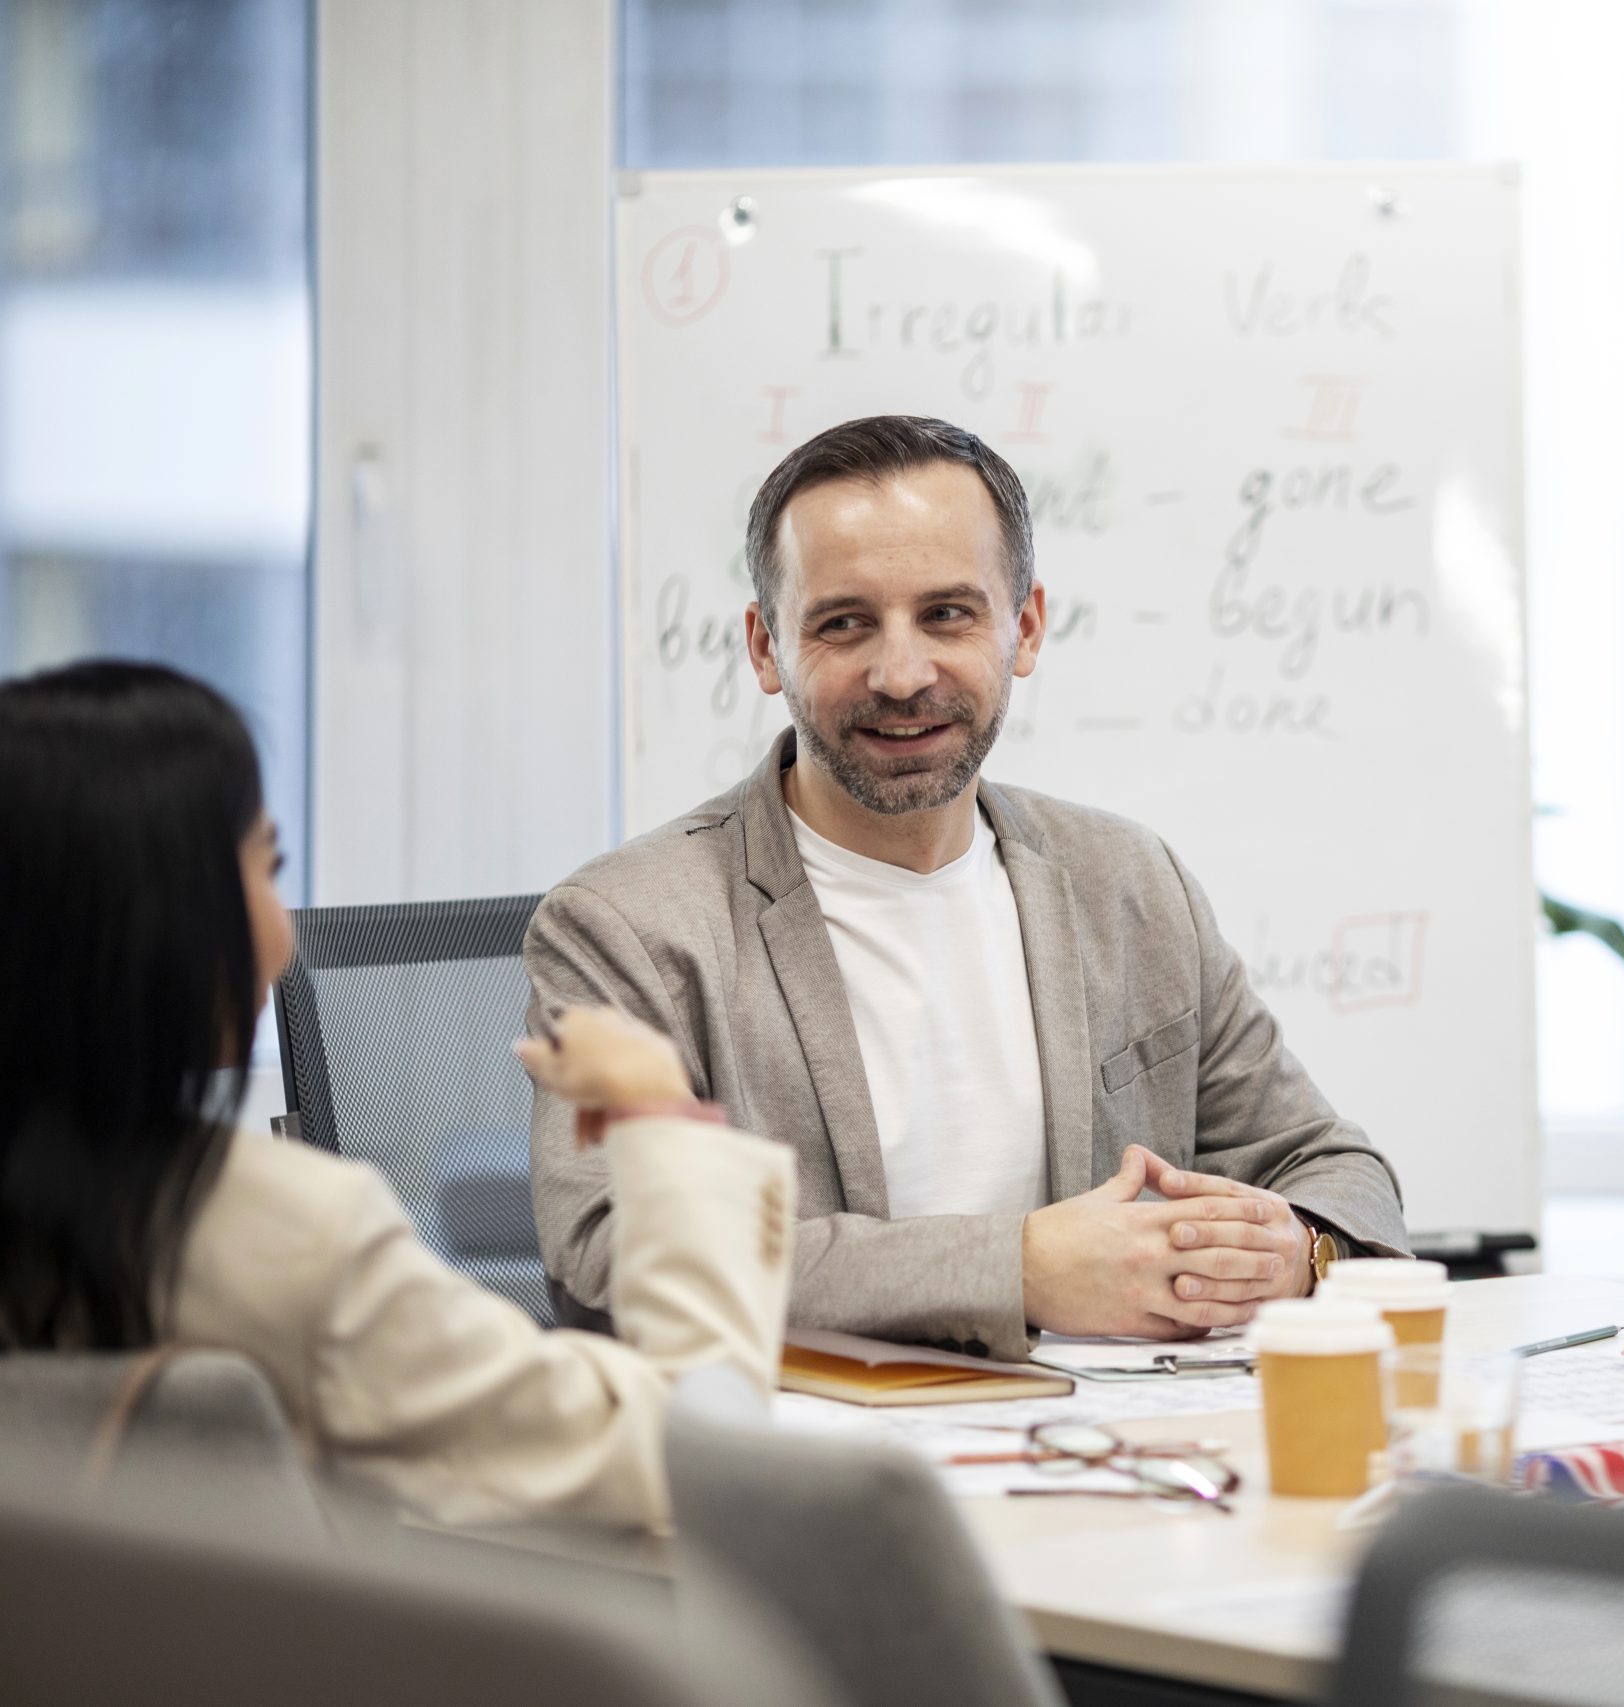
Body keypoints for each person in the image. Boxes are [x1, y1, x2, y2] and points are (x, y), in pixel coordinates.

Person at [527, 415, 1405, 1361]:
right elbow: (617, 1250)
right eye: (844, 622)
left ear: (1022, 628)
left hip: (1117, 1456)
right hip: (816, 1475)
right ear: (765, 647)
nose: (902, 674)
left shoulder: (1129, 883)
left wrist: (1301, 1250)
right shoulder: (626, 924)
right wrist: (1018, 1269)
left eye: (947, 614)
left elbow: (1337, 1168)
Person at [0, 661, 792, 1531]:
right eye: (267, 868)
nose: (280, 930)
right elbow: (689, 1465)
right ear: (159, 920)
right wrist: (660, 1114)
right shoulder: (287, 1242)